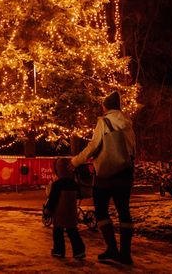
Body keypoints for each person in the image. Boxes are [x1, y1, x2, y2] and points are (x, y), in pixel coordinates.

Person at [71, 91, 136, 265]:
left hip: (106, 174)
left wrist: (75, 162)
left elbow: (93, 147)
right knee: (124, 210)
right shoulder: (127, 122)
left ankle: (112, 248)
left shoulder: (104, 122)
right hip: (126, 172)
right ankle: (126, 253)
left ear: (105, 106)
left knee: (101, 209)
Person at [45, 158, 86, 259]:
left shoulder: (57, 185)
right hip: (71, 212)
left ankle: (59, 250)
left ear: (58, 169)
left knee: (58, 231)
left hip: (60, 213)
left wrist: (48, 210)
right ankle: (79, 251)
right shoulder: (74, 184)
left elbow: (53, 199)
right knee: (73, 231)